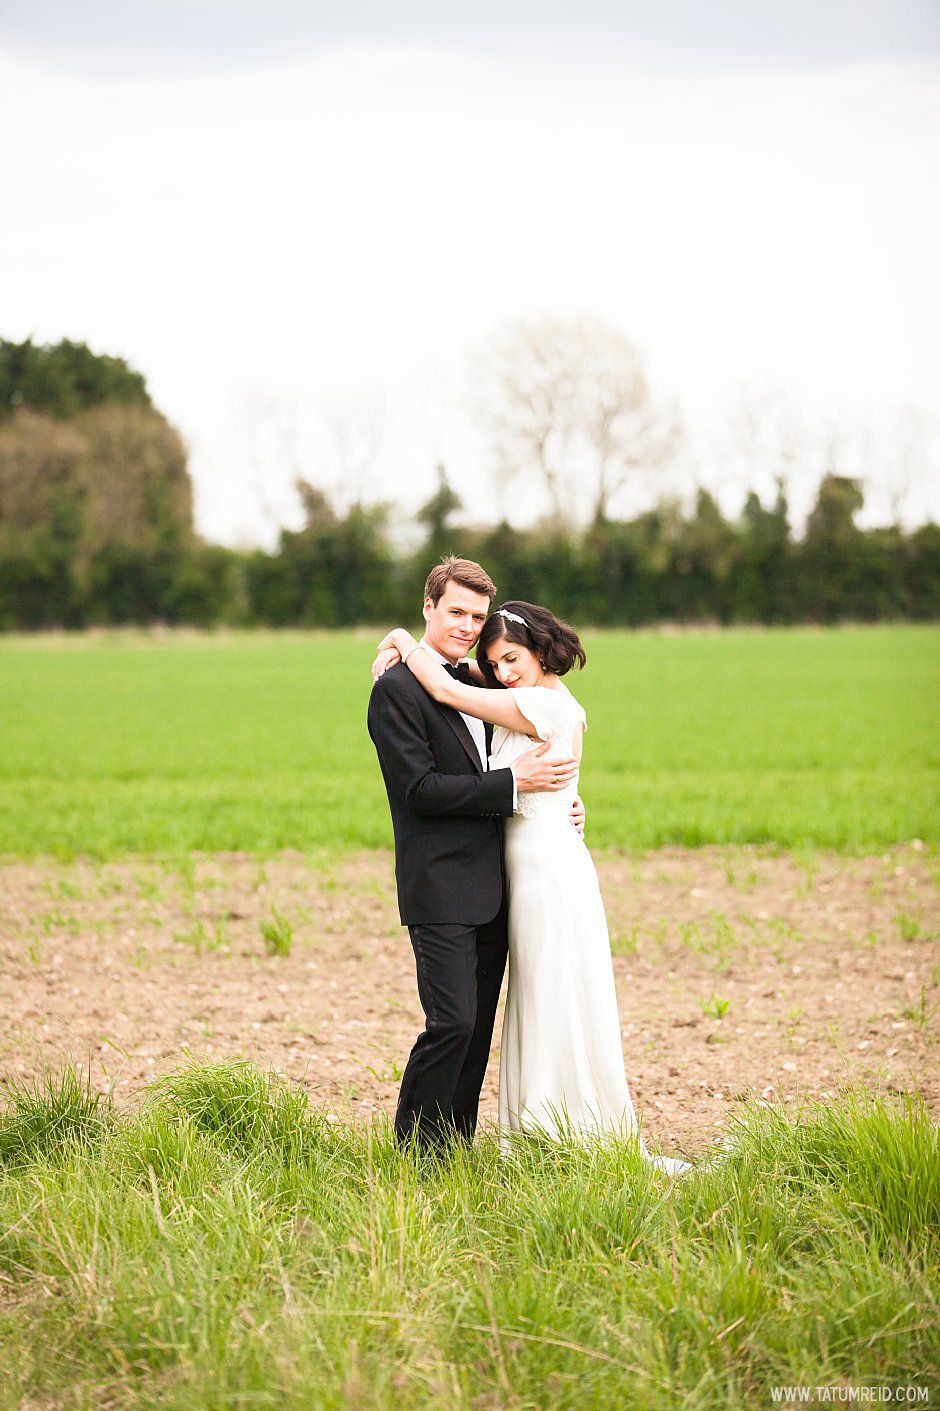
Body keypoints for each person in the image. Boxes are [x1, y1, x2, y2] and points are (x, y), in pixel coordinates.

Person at [373, 592, 691, 1177]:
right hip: (515, 871)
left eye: (513, 657)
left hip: (545, 872)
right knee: (532, 999)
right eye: (496, 661)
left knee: (551, 994)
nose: (502, 670)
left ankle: (559, 1130)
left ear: (542, 652)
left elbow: (447, 688)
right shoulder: (514, 689)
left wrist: (398, 637)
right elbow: (459, 673)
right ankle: (522, 1130)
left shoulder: (542, 703)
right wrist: (570, 804)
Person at [367, 557, 586, 1152]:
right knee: (452, 1022)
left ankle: (452, 1148)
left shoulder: (483, 682)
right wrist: (516, 785)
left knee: (478, 1030)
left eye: (477, 616)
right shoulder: (395, 691)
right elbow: (420, 791)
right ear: (429, 609)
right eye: (456, 612)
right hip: (439, 886)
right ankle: (413, 1151)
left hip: (499, 886)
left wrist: (566, 801)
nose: (467, 626)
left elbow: (536, 733)